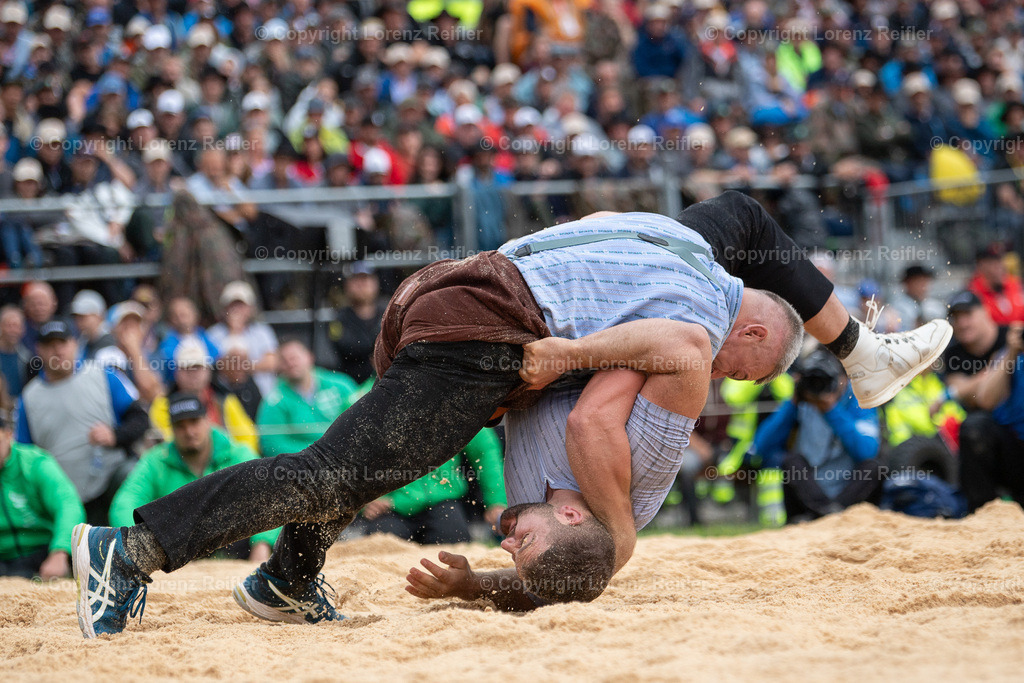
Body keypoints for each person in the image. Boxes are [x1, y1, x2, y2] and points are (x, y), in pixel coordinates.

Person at [72, 192, 951, 637]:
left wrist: (848, 341)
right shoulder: (703, 322)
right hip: (488, 327)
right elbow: (657, 369)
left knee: (373, 459)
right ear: (753, 322)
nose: (738, 377)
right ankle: (130, 551)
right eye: (752, 366)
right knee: (340, 469)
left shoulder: (688, 239)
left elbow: (748, 218)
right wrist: (573, 374)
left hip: (457, 297)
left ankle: (289, 578)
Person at [110, 394, 278, 564]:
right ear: (172, 429)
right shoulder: (155, 461)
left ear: (207, 420)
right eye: (180, 426)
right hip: (177, 554)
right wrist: (142, 545)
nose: (189, 432)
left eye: (194, 422)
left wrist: (262, 544)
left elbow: (270, 495)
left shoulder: (239, 454)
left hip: (237, 551)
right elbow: (124, 503)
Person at [16, 320, 150, 526]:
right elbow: (23, 456)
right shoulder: (29, 398)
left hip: (111, 479)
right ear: (39, 350)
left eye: (63, 343)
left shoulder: (103, 376)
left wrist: (115, 435)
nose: (57, 350)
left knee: (131, 473)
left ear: (74, 344)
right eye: (50, 344)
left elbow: (140, 418)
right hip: (63, 495)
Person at [752, 349, 883, 522]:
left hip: (847, 497)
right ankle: (827, 514)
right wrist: (792, 404)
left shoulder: (858, 401)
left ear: (843, 379)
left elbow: (867, 451)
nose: (818, 385)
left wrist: (831, 410)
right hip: (807, 496)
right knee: (791, 461)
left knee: (874, 468)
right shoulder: (799, 403)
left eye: (825, 379)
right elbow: (761, 448)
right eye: (812, 379)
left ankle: (830, 514)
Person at [362, 428, 506, 545]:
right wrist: (364, 500)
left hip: (442, 503)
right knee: (377, 547)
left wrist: (496, 501)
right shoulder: (369, 400)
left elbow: (485, 449)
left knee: (455, 544)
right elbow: (349, 454)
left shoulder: (450, 401)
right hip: (390, 508)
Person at [0, 407, 85, 579]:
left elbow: (68, 504)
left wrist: (59, 552)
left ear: (8, 435)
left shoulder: (35, 462)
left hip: (42, 551)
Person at [958, 322, 1024, 512]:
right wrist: (1011, 353)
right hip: (1014, 450)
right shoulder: (1010, 354)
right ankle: (982, 510)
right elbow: (985, 400)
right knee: (975, 428)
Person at [257, 339, 358, 458]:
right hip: (299, 467)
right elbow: (271, 445)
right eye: (284, 360)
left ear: (310, 357)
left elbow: (360, 422)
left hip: (345, 459)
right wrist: (314, 455)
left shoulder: (341, 386)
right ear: (279, 367)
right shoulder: (274, 401)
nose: (291, 363)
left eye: (294, 357)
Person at [150, 344, 258, 453]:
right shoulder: (163, 405)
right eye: (187, 368)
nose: (193, 374)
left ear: (208, 370)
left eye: (197, 367)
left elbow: (248, 437)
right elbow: (168, 443)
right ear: (177, 373)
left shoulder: (224, 400)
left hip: (224, 462)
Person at [206, 281, 279, 397]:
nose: (237, 309)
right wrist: (234, 332)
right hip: (226, 396)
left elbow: (272, 363)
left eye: (241, 305)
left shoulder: (262, 331)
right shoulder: (213, 333)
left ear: (250, 308)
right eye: (232, 305)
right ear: (224, 308)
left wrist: (239, 366)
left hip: (263, 395)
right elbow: (215, 366)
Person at [329, 262, 386, 384]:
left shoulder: (388, 311)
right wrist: (379, 348)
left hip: (386, 379)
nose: (361, 285)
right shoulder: (339, 318)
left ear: (376, 283)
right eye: (355, 281)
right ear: (346, 286)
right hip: (352, 383)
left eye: (365, 280)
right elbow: (346, 348)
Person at [968, 243, 1024, 326]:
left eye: (1000, 261)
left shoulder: (1014, 284)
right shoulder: (973, 293)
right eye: (993, 263)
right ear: (981, 265)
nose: (1000, 267)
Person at [69, 290, 124, 369]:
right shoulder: (83, 341)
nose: (79, 322)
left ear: (98, 316)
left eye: (83, 317)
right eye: (76, 317)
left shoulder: (111, 343)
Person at [890, 265, 947, 331]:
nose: (922, 285)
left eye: (925, 280)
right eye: (918, 281)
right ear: (907, 283)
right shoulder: (896, 307)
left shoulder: (936, 305)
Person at [0, 305, 30, 396]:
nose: (13, 330)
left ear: (23, 330)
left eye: (16, 326)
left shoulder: (28, 358)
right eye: (9, 326)